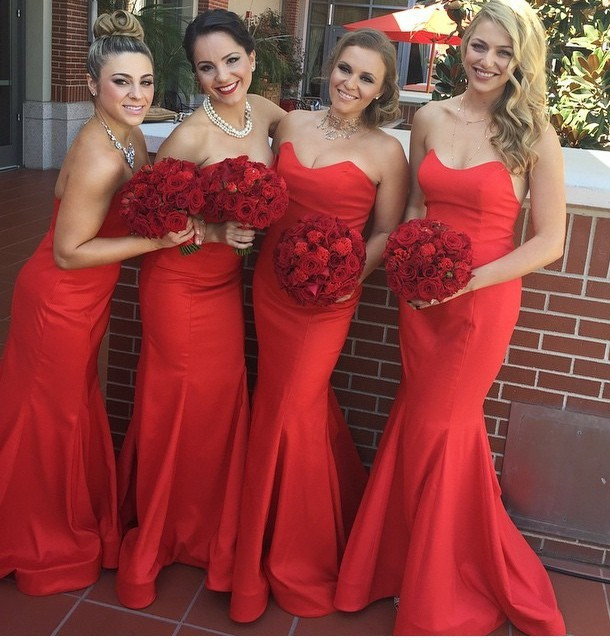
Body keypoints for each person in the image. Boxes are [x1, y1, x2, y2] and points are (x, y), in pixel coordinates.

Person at [334, 0, 567, 635]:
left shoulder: (535, 132)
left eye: (503, 51)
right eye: (479, 47)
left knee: (443, 427)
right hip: (423, 301)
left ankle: (441, 581)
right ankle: (403, 563)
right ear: (462, 48)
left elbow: (550, 242)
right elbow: (412, 208)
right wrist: (408, 268)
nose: (487, 62)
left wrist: (468, 282)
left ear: (521, 60)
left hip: (481, 303)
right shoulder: (429, 117)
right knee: (415, 421)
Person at [0, 10, 195, 596]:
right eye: (121, 82)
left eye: (145, 82)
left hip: (84, 302)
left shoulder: (128, 131)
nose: (137, 95)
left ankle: (61, 513)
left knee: (67, 410)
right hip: (58, 299)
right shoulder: (98, 151)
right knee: (48, 417)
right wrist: (158, 241)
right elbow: (68, 253)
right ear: (91, 84)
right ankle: (34, 532)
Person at [228, 28, 409, 622]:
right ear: (330, 67)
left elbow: (385, 232)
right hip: (270, 286)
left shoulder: (386, 152)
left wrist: (349, 272)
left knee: (289, 405)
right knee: (288, 405)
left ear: (381, 92)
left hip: (329, 299)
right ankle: (269, 535)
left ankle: (288, 556)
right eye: (345, 69)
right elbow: (232, 109)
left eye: (366, 79)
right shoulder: (289, 123)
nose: (349, 85)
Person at [115, 9, 285, 610]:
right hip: (179, 284)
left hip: (223, 291)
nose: (222, 76)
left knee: (216, 405)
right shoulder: (189, 134)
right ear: (195, 73)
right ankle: (160, 537)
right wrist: (212, 233)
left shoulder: (266, 114)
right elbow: (151, 215)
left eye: (232, 61)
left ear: (252, 59)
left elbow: (319, 138)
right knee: (180, 401)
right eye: (206, 67)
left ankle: (207, 530)